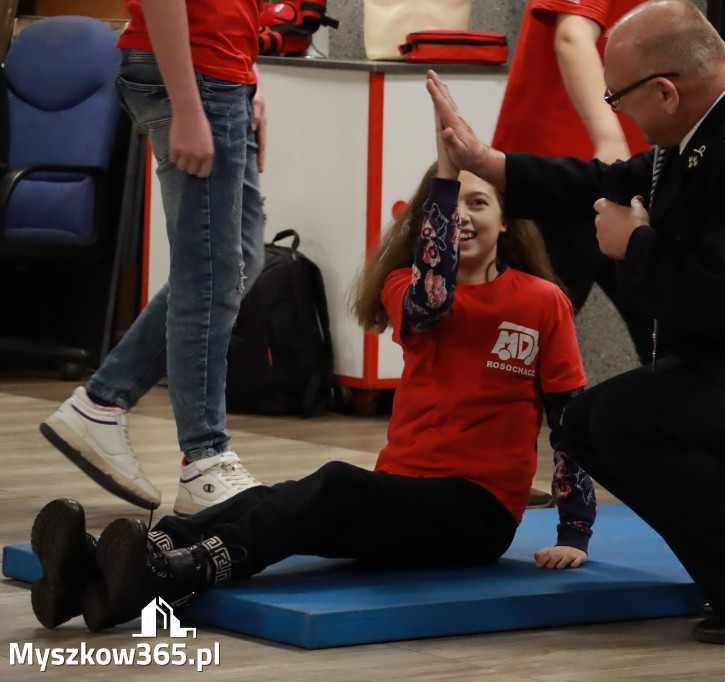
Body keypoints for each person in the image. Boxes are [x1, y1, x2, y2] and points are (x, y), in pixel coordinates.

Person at [426, 0, 725, 646]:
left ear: (665, 90)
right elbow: (601, 181)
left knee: (631, 423)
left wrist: (636, 246)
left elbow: (715, 300)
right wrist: (490, 163)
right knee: (595, 420)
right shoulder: (712, 128)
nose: (616, 111)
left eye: (618, 97)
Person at [28, 116, 596, 632]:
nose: (465, 218)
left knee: (333, 485)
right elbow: (434, 295)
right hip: (403, 491)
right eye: (452, 205)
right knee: (273, 499)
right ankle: (103, 569)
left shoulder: (542, 302)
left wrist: (574, 532)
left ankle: (182, 567)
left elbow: (569, 416)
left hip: (479, 511)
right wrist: (442, 180)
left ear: (506, 221)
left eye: (480, 204)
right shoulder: (406, 287)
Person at [38, 0, 268, 517]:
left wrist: (250, 81)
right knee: (207, 274)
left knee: (238, 262)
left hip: (225, 74)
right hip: (198, 75)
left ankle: (101, 404)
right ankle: (205, 461)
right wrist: (189, 106)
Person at [494, 0, 653, 361]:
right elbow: (572, 35)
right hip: (569, 173)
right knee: (517, 355)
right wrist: (610, 139)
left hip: (627, 177)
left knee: (671, 337)